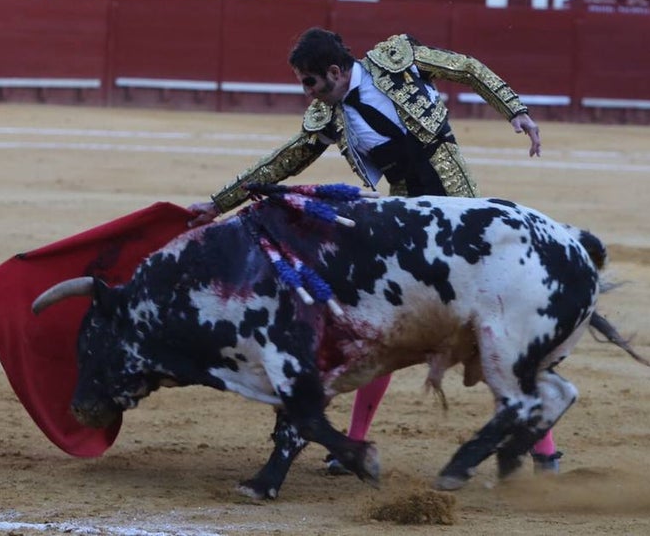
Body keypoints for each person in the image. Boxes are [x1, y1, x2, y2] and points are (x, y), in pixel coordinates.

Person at [186, 28, 557, 475]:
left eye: (309, 82)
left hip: (459, 206)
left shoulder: (395, 60)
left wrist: (514, 110)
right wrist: (218, 202)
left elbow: (468, 68)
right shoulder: (328, 117)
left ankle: (543, 450)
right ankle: (356, 444)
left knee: (491, 322)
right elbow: (282, 161)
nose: (306, 93)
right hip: (406, 214)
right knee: (384, 320)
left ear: (336, 72)